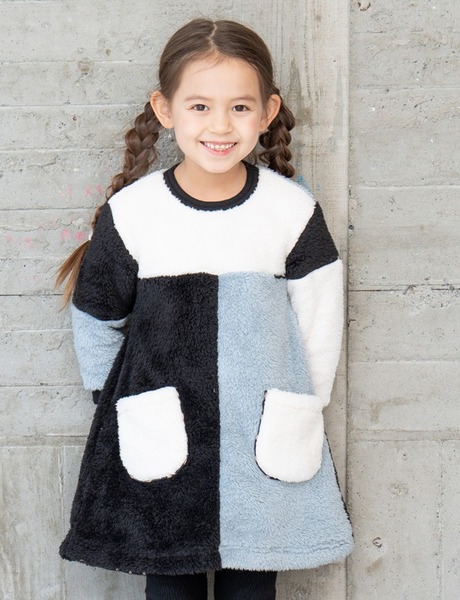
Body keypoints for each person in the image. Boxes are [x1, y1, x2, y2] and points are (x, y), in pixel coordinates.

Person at [56, 17, 354, 600]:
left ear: (267, 113)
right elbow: (95, 317)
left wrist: (303, 407)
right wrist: (119, 403)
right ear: (164, 109)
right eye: (199, 106)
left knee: (252, 590)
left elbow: (320, 320)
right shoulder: (133, 213)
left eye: (240, 107)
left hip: (264, 443)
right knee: (170, 590)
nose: (220, 126)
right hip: (161, 441)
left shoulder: (290, 210)